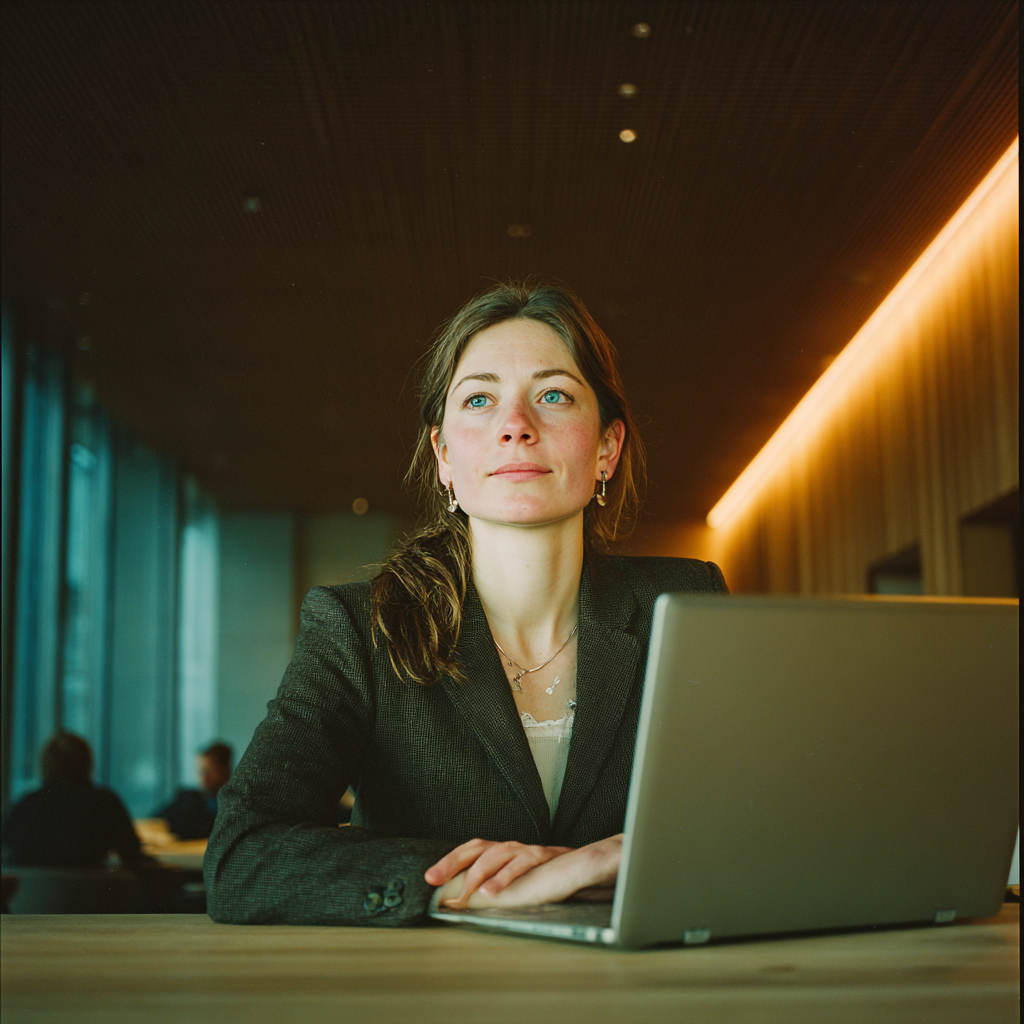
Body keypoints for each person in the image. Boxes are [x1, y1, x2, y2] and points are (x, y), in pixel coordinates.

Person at [205, 282, 728, 926]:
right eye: (480, 399)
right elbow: (241, 856)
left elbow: (769, 823)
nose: (516, 426)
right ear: (444, 456)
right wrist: (472, 886)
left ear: (606, 449)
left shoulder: (688, 604)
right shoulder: (358, 629)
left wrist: (637, 855)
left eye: (554, 396)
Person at [1, 732, 150, 869]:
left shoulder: (26, 804)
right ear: (88, 763)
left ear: (45, 765)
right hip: (88, 896)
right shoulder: (104, 803)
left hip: (29, 896)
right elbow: (132, 855)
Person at [154, 742, 232, 840]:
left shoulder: (233, 802)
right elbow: (156, 821)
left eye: (209, 771)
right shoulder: (192, 798)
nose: (204, 778)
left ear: (224, 770)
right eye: (200, 772)